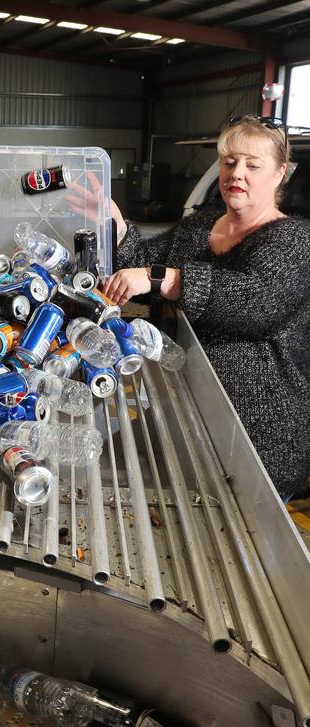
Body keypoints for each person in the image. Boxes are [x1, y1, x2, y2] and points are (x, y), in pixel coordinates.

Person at [68, 116, 310, 500]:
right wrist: (115, 224)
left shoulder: (294, 241)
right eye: (229, 162)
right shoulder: (201, 227)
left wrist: (165, 279)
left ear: (280, 173)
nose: (237, 174)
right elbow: (146, 267)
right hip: (182, 408)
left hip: (254, 436)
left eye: (252, 165)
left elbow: (254, 302)